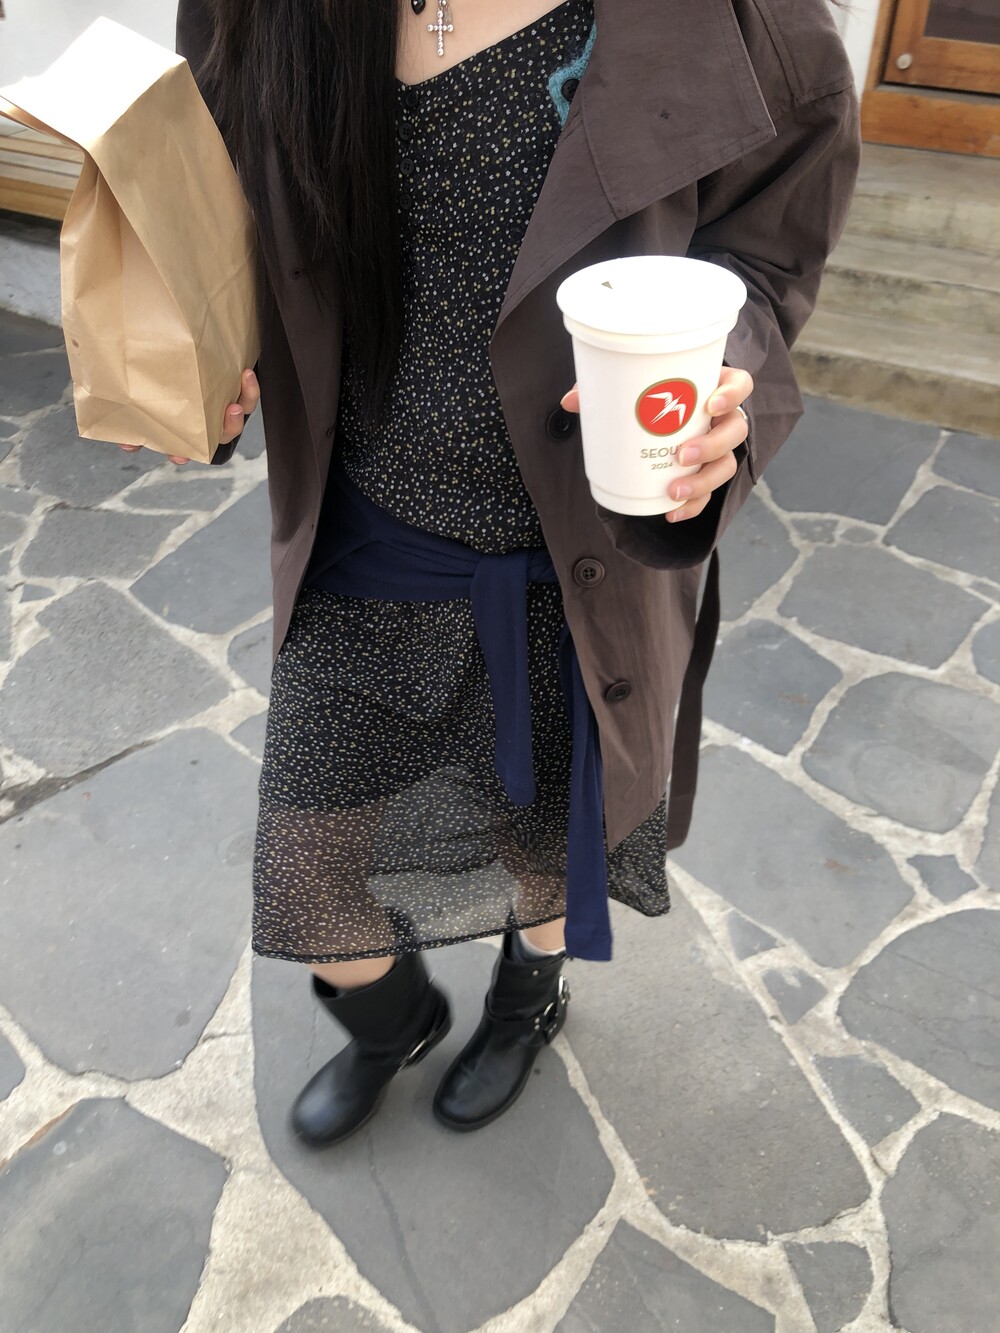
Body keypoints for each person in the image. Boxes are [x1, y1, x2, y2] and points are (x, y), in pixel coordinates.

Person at [134, 0, 858, 1145]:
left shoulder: (738, 14)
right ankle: (395, 1023)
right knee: (312, 875)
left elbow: (767, 247)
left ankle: (526, 1004)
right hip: (371, 538)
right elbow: (217, 206)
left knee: (547, 853)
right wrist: (197, 351)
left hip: (585, 558)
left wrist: (724, 380)